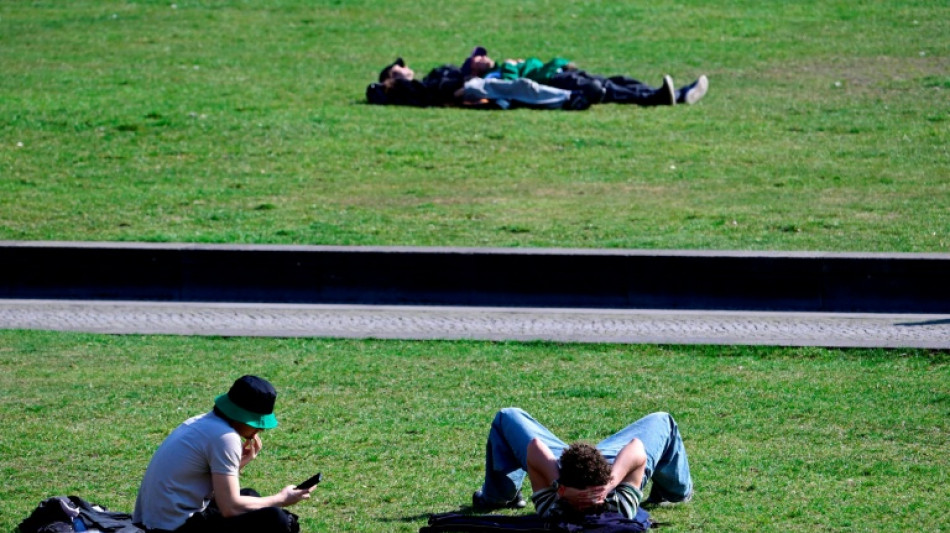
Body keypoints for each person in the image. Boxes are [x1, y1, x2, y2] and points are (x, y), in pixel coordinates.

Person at [133, 375, 313, 533]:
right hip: (173, 528)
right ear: (241, 416)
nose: (260, 429)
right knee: (275, 518)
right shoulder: (225, 438)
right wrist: (281, 499)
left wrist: (240, 462)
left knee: (250, 495)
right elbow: (230, 507)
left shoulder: (203, 422)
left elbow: (204, 486)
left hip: (154, 522)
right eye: (257, 423)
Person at [473, 408, 693, 520]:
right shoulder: (618, 508)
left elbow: (535, 448)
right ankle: (673, 493)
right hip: (615, 465)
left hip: (568, 465)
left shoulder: (553, 507)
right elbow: (636, 448)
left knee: (507, 416)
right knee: (664, 420)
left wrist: (559, 483)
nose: (585, 503)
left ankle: (498, 497)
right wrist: (610, 483)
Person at [460, 46, 709, 107]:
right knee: (607, 90)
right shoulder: (492, 76)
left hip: (558, 73)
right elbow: (512, 88)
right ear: (473, 69)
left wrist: (562, 64)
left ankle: (676, 94)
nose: (482, 57)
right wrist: (512, 67)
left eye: (482, 55)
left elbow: (539, 65)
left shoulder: (503, 64)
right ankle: (659, 98)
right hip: (553, 83)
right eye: (477, 58)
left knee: (618, 80)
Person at [368, 57, 591, 110]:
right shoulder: (405, 90)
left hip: (473, 85)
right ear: (390, 78)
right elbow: (431, 98)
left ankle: (566, 98)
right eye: (397, 69)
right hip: (469, 89)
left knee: (518, 92)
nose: (403, 68)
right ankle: (569, 98)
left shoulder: (424, 80)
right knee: (521, 87)